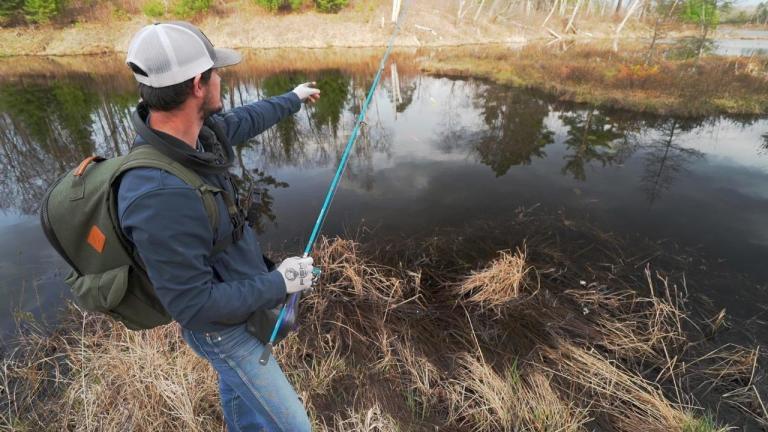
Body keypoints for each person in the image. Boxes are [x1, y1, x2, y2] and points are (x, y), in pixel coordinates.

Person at [118, 21, 319, 431]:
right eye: (216, 72)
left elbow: (246, 118)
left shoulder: (195, 135)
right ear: (198, 85)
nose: (222, 78)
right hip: (222, 333)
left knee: (238, 397)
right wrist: (280, 282)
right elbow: (193, 306)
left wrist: (293, 99)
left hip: (240, 305)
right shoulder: (157, 195)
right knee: (296, 427)